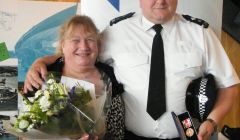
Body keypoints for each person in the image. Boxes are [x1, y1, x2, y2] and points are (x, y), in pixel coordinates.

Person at [24, 0, 240, 140]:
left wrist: (212, 120)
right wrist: (43, 61)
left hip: (188, 134)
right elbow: (82, 52)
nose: (160, 1)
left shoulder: (200, 33)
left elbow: (229, 85)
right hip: (131, 136)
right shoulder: (117, 31)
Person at [24, 15, 125, 140]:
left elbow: (117, 133)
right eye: (75, 40)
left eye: (90, 39)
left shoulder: (110, 77)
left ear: (97, 46)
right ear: (63, 46)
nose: (83, 47)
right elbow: (24, 131)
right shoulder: (42, 76)